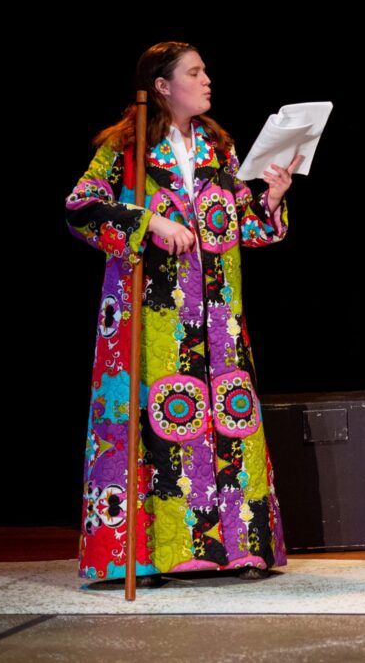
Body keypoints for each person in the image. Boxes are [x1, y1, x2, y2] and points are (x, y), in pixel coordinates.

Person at [66, 41, 302, 582]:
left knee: (228, 417)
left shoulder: (218, 145)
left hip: (218, 314)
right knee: (160, 423)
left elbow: (240, 224)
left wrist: (269, 198)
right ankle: (149, 554)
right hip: (153, 316)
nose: (207, 79)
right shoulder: (125, 149)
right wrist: (148, 223)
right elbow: (81, 208)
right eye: (194, 72)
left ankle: (237, 548)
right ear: (163, 86)